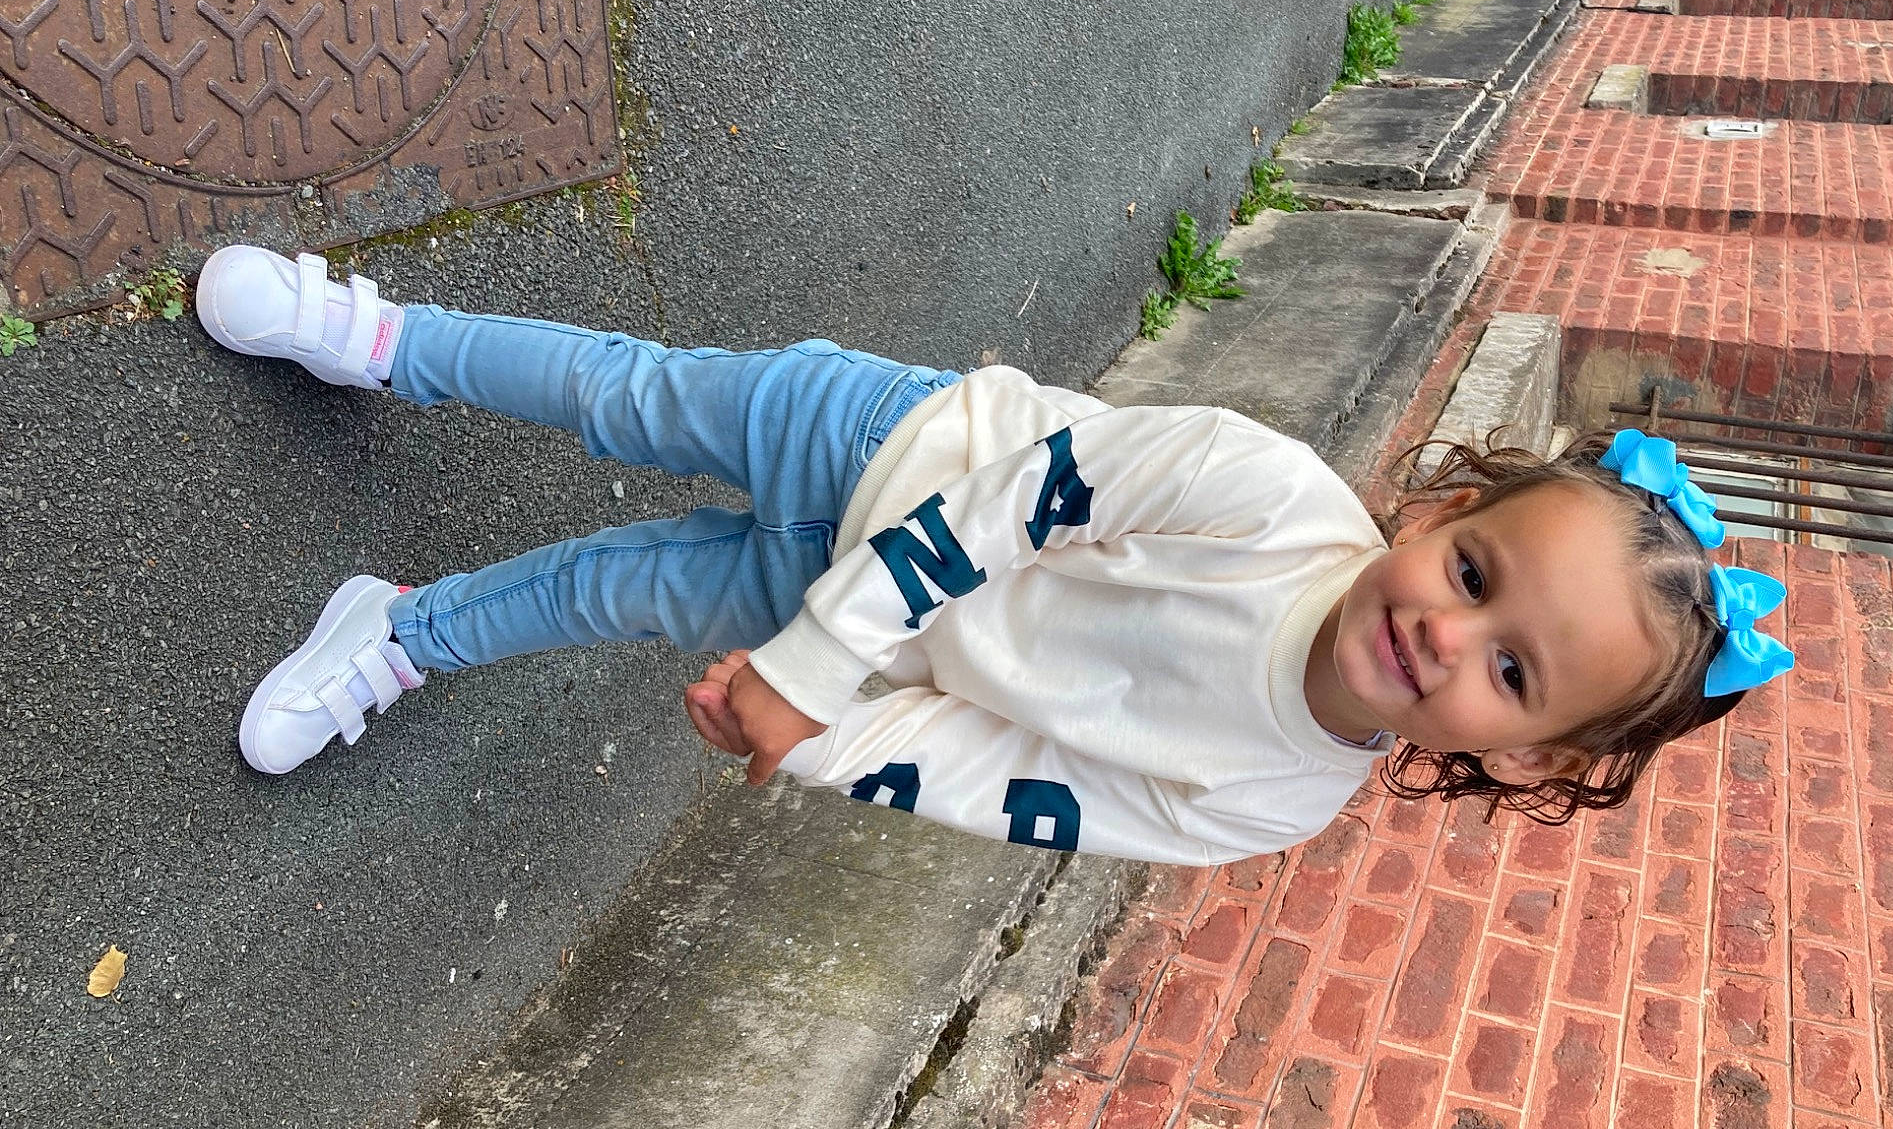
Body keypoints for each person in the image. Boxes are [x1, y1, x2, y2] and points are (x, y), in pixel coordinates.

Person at [195, 245, 1794, 866]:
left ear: (1530, 755)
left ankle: (401, 632)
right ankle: (378, 336)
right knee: (631, 394)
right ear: (1443, 513)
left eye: (1511, 672)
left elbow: (1024, 784)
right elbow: (1016, 503)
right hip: (883, 443)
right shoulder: (1271, 494)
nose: (1450, 634)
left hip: (854, 637)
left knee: (617, 586)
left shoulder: (1270, 802)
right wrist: (817, 668)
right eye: (1477, 576)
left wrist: (816, 732)